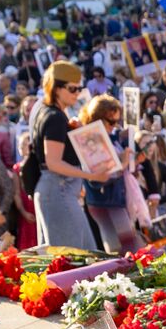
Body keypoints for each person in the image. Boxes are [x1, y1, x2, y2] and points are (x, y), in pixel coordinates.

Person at [33, 61, 111, 249]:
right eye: (72, 88)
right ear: (56, 88)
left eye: (79, 88)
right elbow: (53, 162)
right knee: (74, 258)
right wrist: (91, 175)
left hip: (60, 190)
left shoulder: (51, 113)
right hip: (58, 189)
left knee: (85, 254)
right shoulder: (54, 117)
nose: (77, 93)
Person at [79, 95, 140, 254]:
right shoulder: (91, 140)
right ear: (97, 119)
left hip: (113, 199)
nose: (115, 126)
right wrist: (123, 164)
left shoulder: (110, 137)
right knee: (122, 249)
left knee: (126, 248)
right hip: (104, 201)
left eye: (117, 122)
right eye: (111, 122)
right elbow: (97, 180)